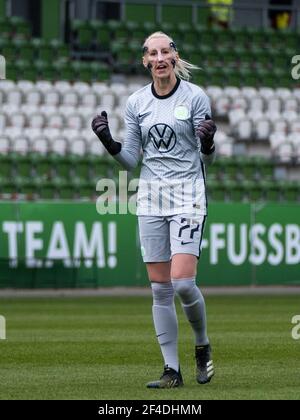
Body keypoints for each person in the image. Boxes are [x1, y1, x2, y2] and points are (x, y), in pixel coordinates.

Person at [92, 31, 217, 389]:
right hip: (150, 197)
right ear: (145, 61)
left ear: (175, 56)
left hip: (188, 194)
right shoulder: (136, 103)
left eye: (166, 51)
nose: (160, 58)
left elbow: (208, 156)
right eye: (153, 53)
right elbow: (130, 159)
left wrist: (208, 142)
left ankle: (202, 344)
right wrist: (109, 142)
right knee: (160, 289)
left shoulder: (196, 97)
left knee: (182, 283)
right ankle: (171, 371)